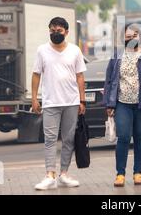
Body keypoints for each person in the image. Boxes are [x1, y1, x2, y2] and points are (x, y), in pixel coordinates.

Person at [103, 24, 141, 187]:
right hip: (122, 103)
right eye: (128, 36)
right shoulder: (117, 56)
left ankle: (138, 172)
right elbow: (109, 80)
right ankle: (120, 174)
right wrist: (109, 103)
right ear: (123, 38)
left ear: (140, 36)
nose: (131, 38)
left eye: (134, 35)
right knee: (123, 137)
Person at [32, 17, 87, 190]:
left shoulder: (75, 51)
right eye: (52, 30)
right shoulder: (42, 51)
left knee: (68, 139)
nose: (55, 33)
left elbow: (80, 76)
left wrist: (82, 100)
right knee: (49, 139)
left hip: (71, 102)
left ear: (66, 32)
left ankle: (64, 174)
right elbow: (36, 74)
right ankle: (50, 175)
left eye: (59, 31)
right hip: (50, 102)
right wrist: (34, 98)